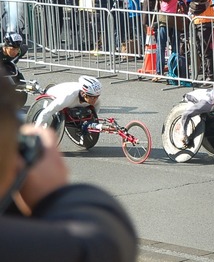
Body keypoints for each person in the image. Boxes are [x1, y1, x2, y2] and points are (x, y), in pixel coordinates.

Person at [0, 70, 137, 261]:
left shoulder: (93, 99)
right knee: (53, 113)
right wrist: (38, 135)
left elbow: (92, 112)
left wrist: (90, 124)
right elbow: (47, 111)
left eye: (96, 97)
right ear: (83, 93)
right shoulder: (67, 96)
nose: (94, 99)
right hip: (55, 101)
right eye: (91, 97)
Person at [34, 76, 102, 129]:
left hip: (71, 102)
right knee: (47, 122)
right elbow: (46, 113)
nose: (95, 100)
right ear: (83, 94)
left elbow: (94, 116)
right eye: (93, 97)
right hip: (54, 95)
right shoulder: (68, 97)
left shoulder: (95, 99)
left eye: (97, 96)